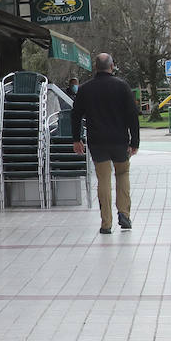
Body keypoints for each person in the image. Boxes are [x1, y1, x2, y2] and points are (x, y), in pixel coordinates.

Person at [70, 53, 140, 234]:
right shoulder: (122, 87)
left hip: (97, 141)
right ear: (112, 66)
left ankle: (106, 223)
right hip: (119, 141)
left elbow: (76, 115)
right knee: (122, 174)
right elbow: (132, 115)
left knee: (103, 179)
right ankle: (124, 213)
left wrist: (76, 139)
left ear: (96, 67)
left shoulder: (85, 89)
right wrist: (135, 142)